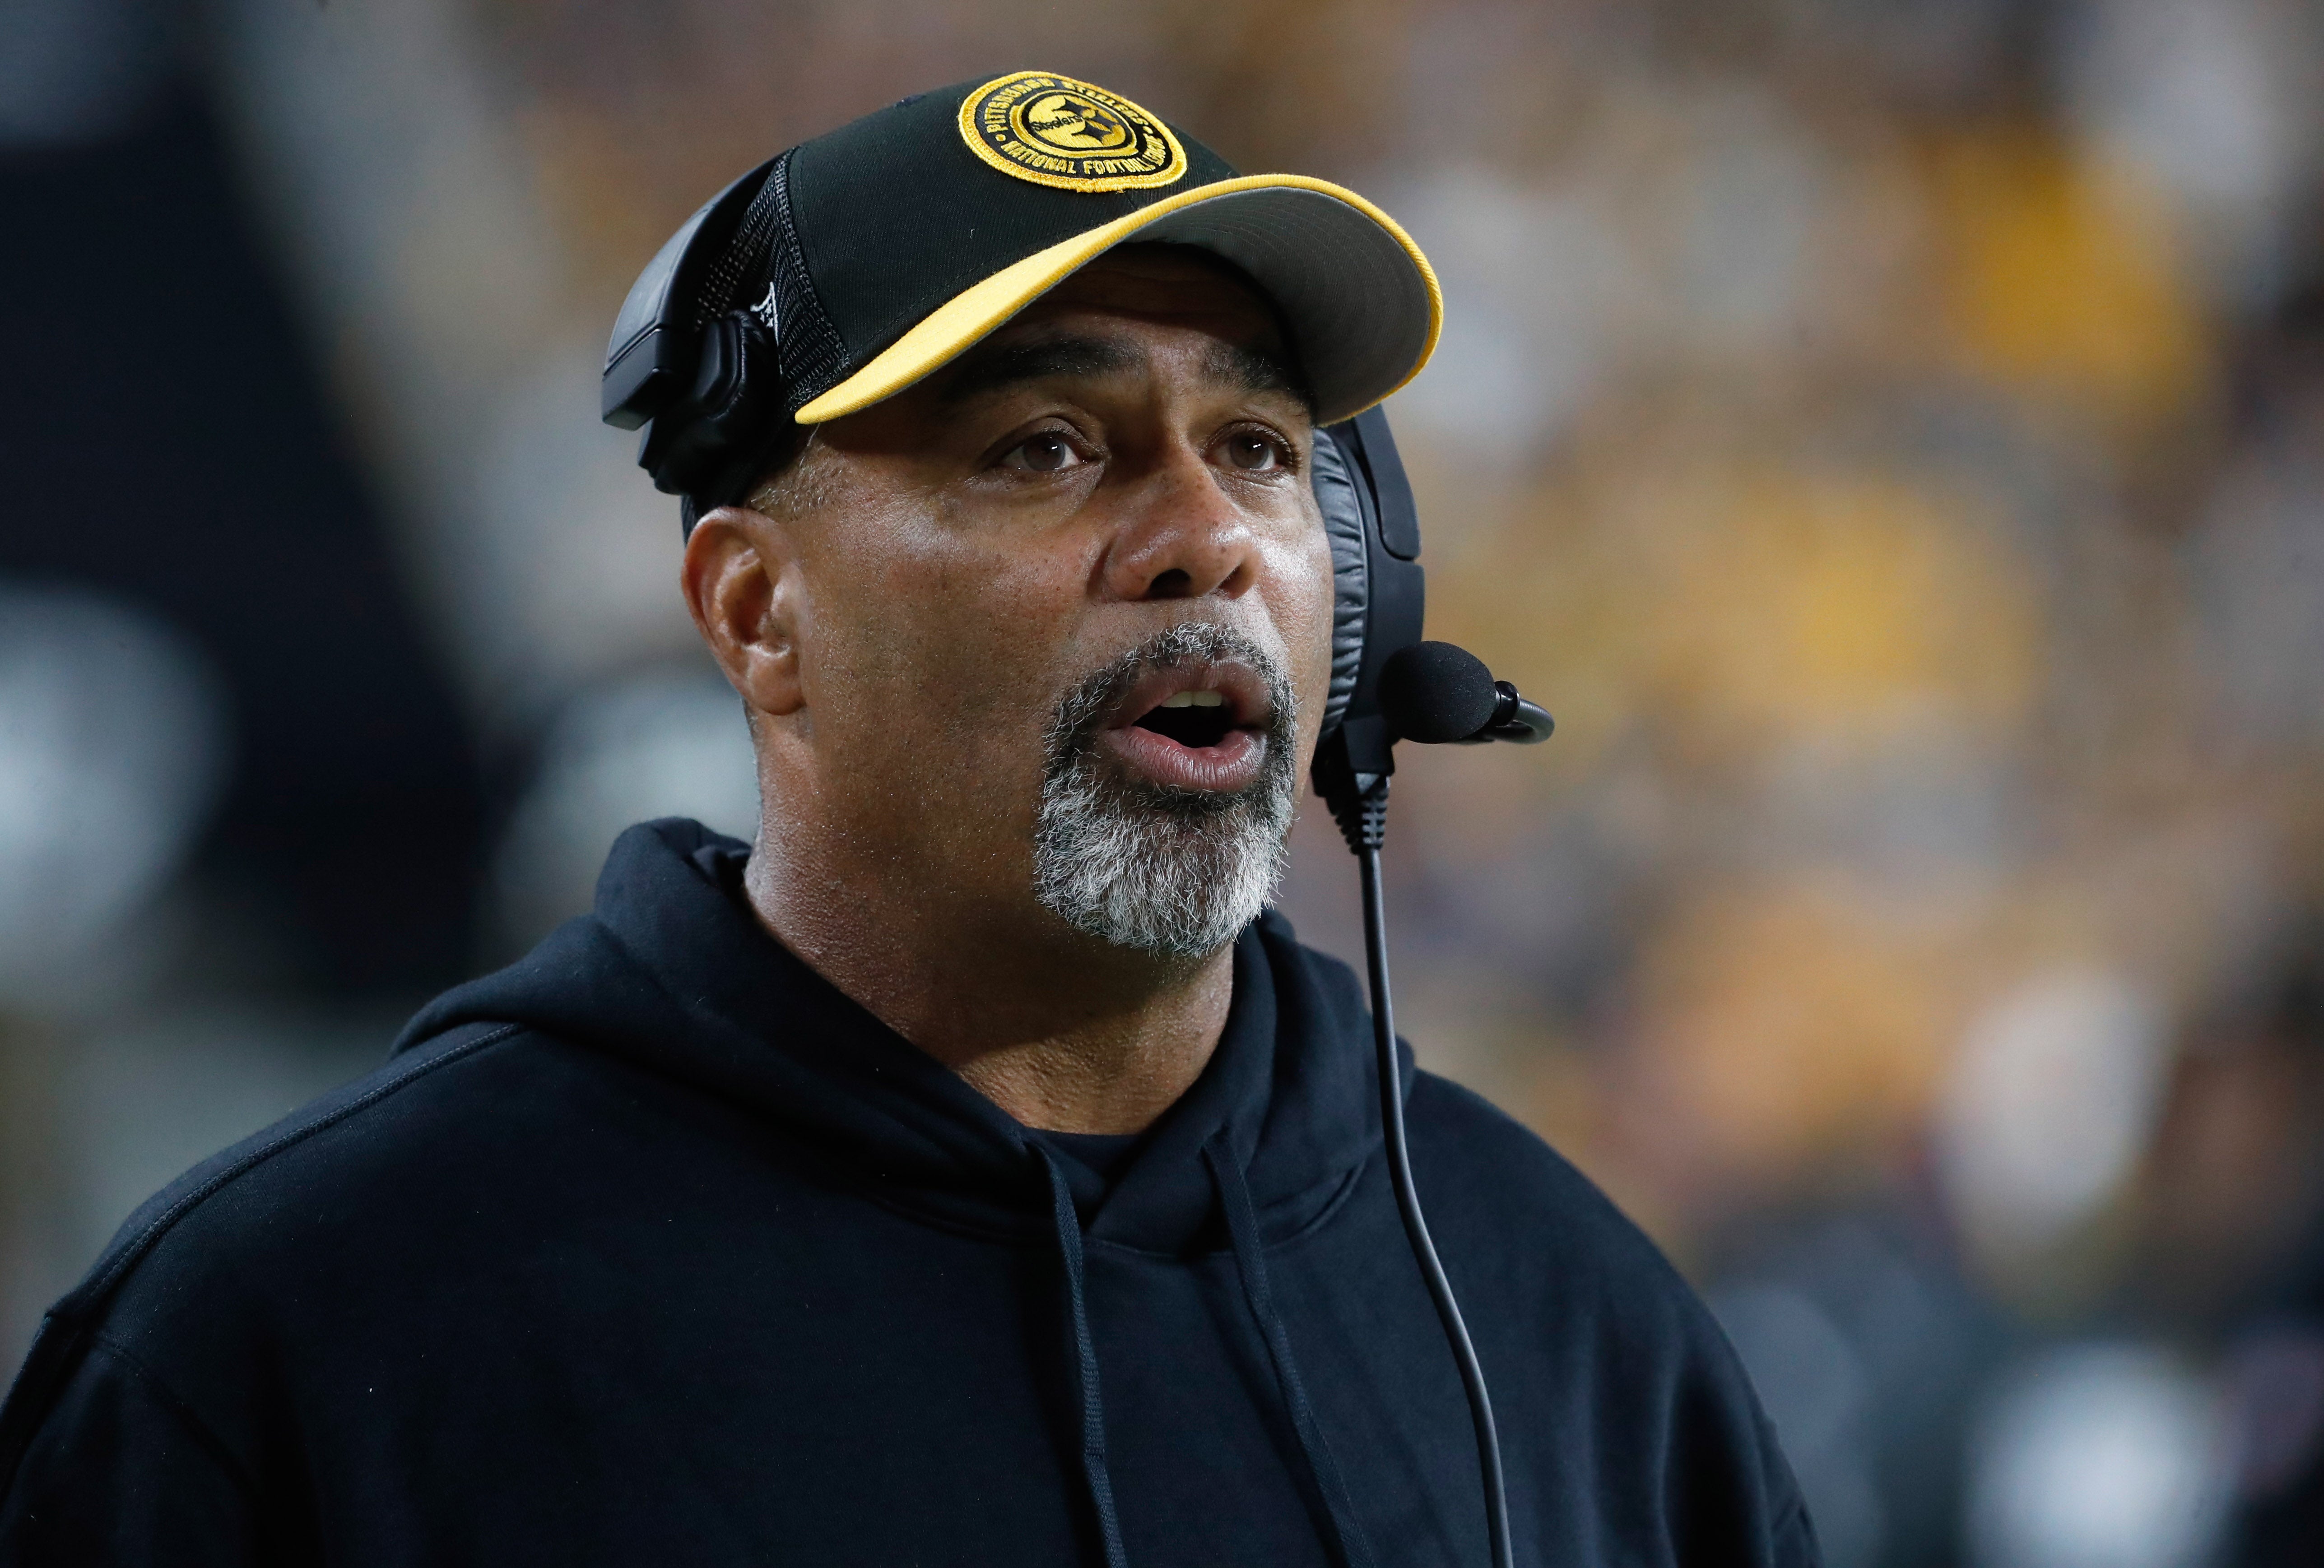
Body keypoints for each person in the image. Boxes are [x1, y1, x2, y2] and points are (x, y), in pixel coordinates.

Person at [0, 74, 1816, 1566]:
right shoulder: (290, 1337)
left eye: (1260, 448)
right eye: (1045, 446)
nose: (1208, 535)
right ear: (754, 612)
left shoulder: (1559, 1316)